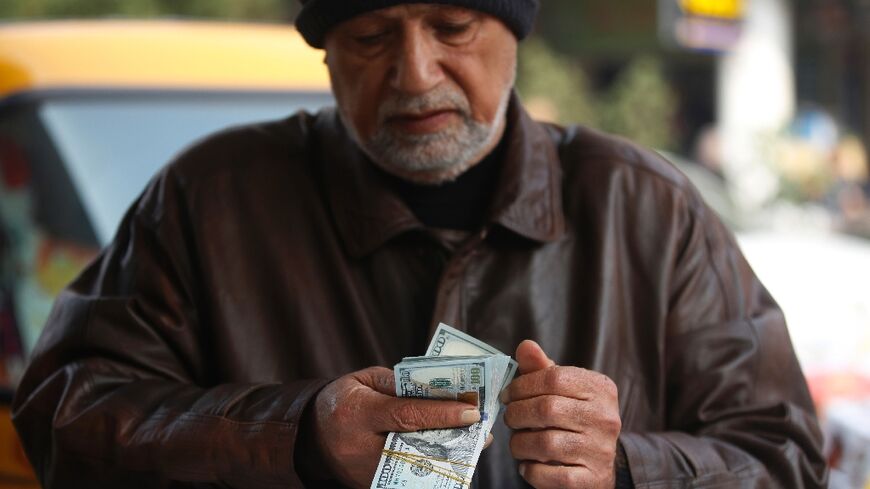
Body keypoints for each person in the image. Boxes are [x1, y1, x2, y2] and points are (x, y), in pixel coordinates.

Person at [12, 1, 828, 488]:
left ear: (515, 33)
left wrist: (627, 467)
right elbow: (65, 416)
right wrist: (295, 433)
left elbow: (786, 456)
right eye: (370, 35)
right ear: (327, 52)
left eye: (453, 25)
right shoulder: (209, 200)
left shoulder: (645, 208)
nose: (413, 72)